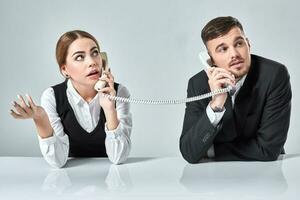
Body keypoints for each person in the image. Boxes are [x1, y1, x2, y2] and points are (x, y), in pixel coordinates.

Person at [10, 30, 132, 168]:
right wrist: (40, 118)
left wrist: (110, 109)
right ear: (64, 70)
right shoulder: (52, 97)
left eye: (95, 53)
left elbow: (119, 158)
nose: (92, 62)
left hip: (111, 178)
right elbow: (58, 161)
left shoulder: (119, 93)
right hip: (67, 182)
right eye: (79, 57)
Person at [180, 16, 292, 163]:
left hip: (264, 173)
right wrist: (216, 104)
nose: (234, 54)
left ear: (248, 44)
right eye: (223, 49)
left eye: (239, 43)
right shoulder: (198, 84)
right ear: (210, 60)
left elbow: (268, 149)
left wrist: (211, 150)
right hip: (214, 178)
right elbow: (189, 152)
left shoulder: (274, 75)